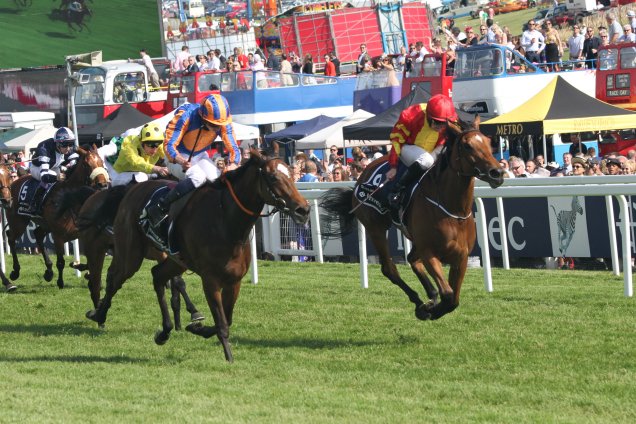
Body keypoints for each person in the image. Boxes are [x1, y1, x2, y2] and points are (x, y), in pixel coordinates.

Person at [142, 94, 240, 227]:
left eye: (220, 125)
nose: (218, 128)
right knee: (198, 177)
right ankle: (160, 207)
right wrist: (180, 160)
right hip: (175, 157)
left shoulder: (223, 122)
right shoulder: (185, 115)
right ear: (203, 117)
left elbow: (233, 146)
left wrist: (234, 163)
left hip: (200, 154)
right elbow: (168, 145)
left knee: (216, 178)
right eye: (213, 125)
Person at [386, 95, 458, 210]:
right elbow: (397, 140)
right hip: (408, 147)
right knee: (427, 161)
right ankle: (397, 189)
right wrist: (393, 166)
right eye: (437, 123)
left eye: (444, 124)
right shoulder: (410, 115)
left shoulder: (450, 121)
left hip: (431, 152)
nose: (441, 128)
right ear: (428, 117)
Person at [28, 127, 79, 214]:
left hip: (54, 166)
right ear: (58, 144)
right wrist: (56, 177)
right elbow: (44, 176)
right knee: (52, 175)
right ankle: (35, 203)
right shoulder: (44, 148)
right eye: (65, 145)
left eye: (70, 144)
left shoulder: (68, 148)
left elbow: (75, 160)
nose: (68, 148)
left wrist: (70, 166)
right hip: (38, 167)